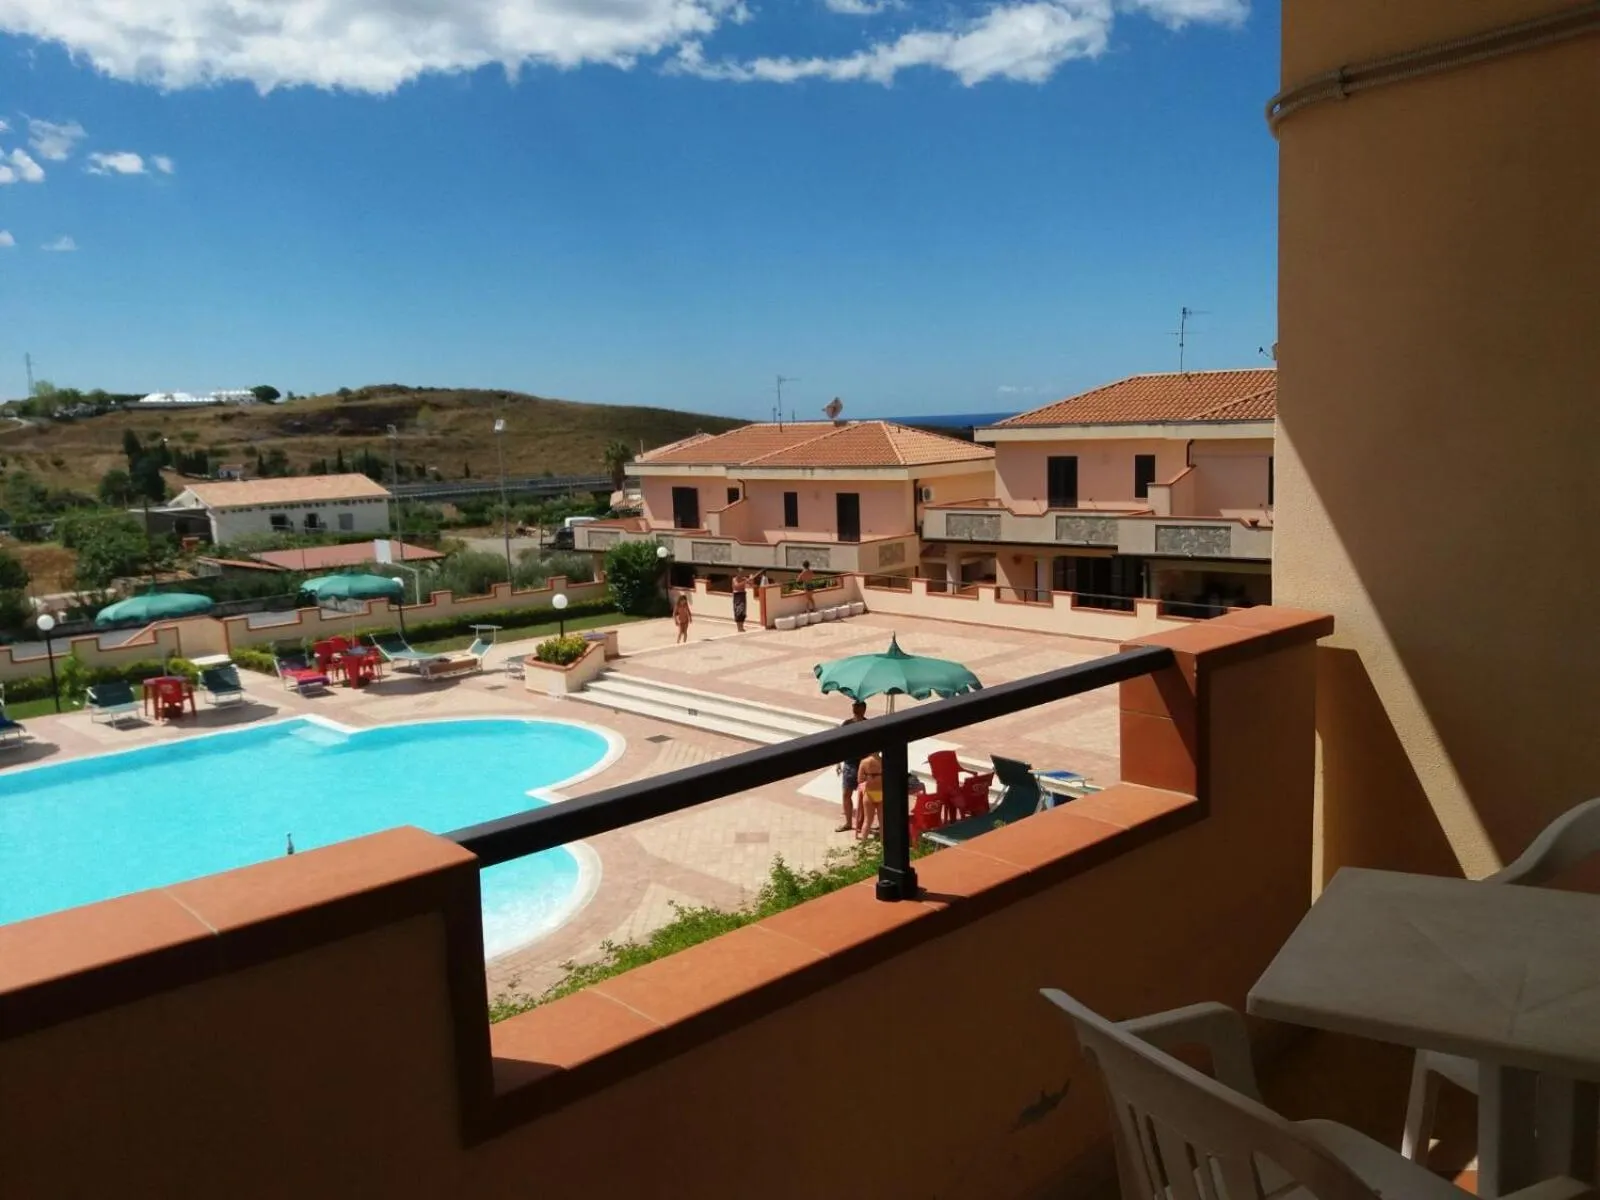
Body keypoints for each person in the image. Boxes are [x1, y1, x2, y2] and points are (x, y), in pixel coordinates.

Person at [835, 699, 868, 833]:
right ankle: (849, 822)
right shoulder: (847, 724)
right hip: (850, 764)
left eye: (857, 706)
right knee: (847, 794)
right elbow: (840, 744)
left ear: (864, 708)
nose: (855, 707)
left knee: (864, 797)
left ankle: (860, 823)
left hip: (863, 765)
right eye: (854, 705)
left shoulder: (868, 725)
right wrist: (838, 762)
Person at [856, 751, 884, 840]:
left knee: (867, 821)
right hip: (881, 793)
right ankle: (884, 844)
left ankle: (863, 844)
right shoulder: (884, 761)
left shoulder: (864, 762)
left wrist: (868, 777)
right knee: (882, 822)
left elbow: (859, 779)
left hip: (869, 793)